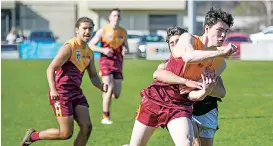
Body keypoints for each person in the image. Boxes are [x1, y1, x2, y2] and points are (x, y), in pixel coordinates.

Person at [128, 6, 234, 146]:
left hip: (180, 105)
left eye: (226, 31)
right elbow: (189, 57)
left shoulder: (220, 64)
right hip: (156, 98)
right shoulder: (187, 38)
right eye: (219, 30)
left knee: (185, 143)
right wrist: (219, 52)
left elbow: (192, 96)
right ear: (207, 28)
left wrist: (205, 90)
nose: (223, 36)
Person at [19, 17, 107, 146]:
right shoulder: (69, 47)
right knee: (66, 133)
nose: (87, 31)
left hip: (76, 92)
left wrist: (99, 85)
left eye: (90, 29)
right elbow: (51, 68)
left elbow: (93, 75)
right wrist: (53, 89)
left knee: (87, 127)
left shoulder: (89, 52)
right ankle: (32, 136)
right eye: (84, 28)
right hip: (61, 93)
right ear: (77, 30)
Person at [153, 26, 226, 146]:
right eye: (172, 43)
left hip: (207, 109)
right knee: (191, 142)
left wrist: (203, 87)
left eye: (178, 41)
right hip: (185, 112)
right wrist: (185, 81)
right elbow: (157, 73)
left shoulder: (204, 62)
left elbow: (222, 92)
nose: (176, 45)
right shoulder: (167, 66)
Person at [89, 8, 129, 124]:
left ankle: (106, 93)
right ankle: (105, 117)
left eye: (118, 16)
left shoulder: (123, 32)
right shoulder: (103, 31)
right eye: (114, 15)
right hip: (105, 63)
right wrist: (103, 50)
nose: (116, 18)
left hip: (118, 64)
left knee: (116, 94)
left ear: (120, 18)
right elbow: (91, 45)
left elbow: (126, 47)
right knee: (109, 87)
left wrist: (125, 50)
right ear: (110, 17)